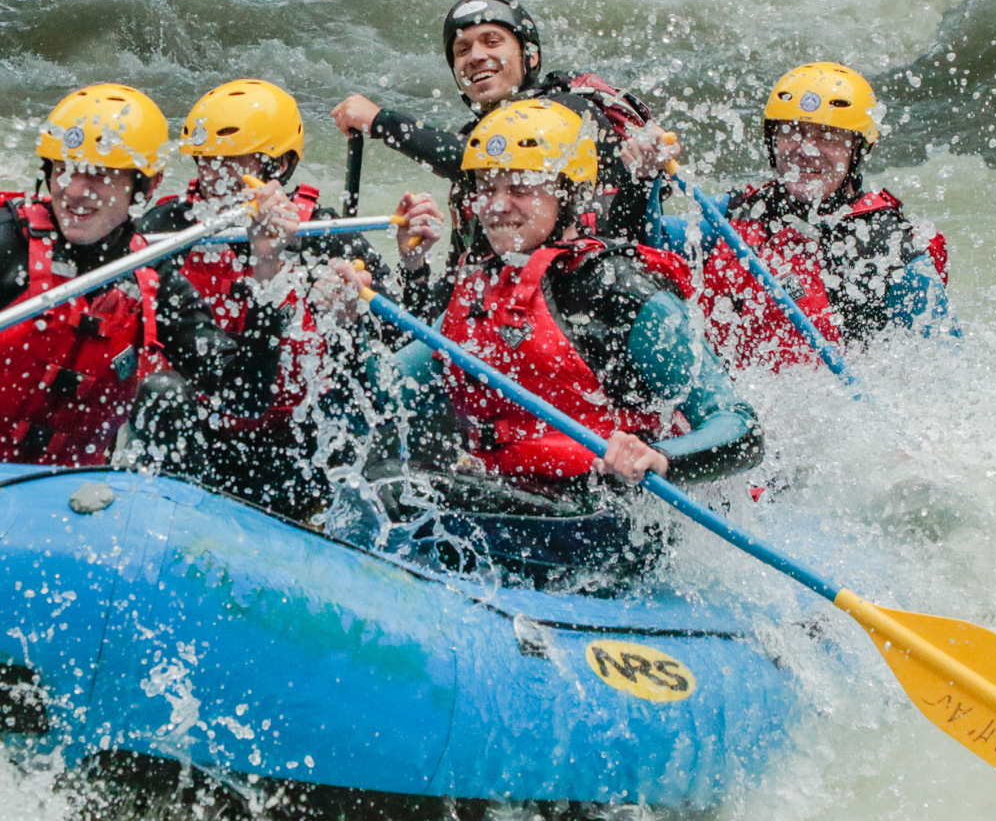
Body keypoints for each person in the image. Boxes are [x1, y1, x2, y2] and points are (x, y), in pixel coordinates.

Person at [324, 99, 762, 585]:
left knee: (392, 491)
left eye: (520, 188)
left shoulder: (622, 292)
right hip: (516, 498)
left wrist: (659, 456)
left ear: (570, 193)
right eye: (486, 187)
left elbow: (741, 428)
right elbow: (387, 398)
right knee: (377, 460)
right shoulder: (477, 290)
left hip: (608, 518)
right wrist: (350, 323)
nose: (496, 204)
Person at [0, 83, 299, 467]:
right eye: (65, 169)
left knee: (167, 395)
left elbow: (246, 393)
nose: (75, 190)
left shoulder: (151, 274)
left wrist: (266, 268)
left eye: (101, 174)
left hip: (66, 502)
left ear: (145, 185)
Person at [132, 78, 397, 516]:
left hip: (295, 443)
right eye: (207, 162)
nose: (215, 178)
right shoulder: (166, 228)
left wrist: (400, 275)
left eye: (234, 164)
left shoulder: (323, 237)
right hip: (200, 429)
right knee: (161, 394)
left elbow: (397, 333)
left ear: (281, 167)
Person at [647, 63, 958, 372]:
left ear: (858, 151)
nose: (806, 149)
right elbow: (645, 242)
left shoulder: (893, 252)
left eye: (828, 136)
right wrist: (643, 179)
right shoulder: (735, 213)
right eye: (792, 132)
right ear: (772, 142)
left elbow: (942, 372)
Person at [330, 0, 678, 248]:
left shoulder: (569, 110)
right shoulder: (476, 152)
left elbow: (478, 156)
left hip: (590, 289)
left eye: (492, 41)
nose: (476, 56)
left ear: (531, 57)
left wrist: (382, 122)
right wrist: (414, 267)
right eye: (462, 50)